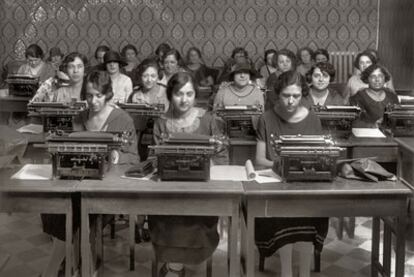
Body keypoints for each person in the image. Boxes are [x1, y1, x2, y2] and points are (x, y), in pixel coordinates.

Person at [41, 70, 138, 277]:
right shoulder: (79, 118)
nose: (93, 101)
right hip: (79, 181)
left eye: (99, 96)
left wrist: (116, 157)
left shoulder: (123, 119)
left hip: (107, 187)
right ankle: (82, 266)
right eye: (89, 95)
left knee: (78, 212)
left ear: (109, 95)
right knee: (65, 206)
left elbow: (135, 157)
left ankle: (66, 267)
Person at [149, 72, 227, 277]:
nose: (184, 99)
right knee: (169, 223)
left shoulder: (208, 120)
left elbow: (222, 157)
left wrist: (203, 164)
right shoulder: (160, 122)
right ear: (169, 95)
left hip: (201, 192)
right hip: (169, 192)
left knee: (196, 225)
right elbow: (154, 158)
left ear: (195, 95)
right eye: (178, 94)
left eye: (189, 94)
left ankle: (177, 269)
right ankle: (175, 268)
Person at [255, 70, 328, 277]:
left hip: (306, 184)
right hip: (276, 185)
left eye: (296, 96)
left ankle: (303, 273)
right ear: (277, 94)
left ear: (303, 94)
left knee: (309, 216)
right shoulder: (267, 118)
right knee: (281, 217)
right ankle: (286, 271)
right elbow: (260, 159)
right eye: (286, 96)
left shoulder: (313, 119)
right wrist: (283, 169)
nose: (290, 101)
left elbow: (320, 158)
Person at [128, 58, 169, 160]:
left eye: (153, 76)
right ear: (140, 76)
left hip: (163, 135)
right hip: (140, 136)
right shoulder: (135, 94)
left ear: (158, 76)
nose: (149, 80)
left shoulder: (166, 92)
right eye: (145, 76)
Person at [213, 62, 264, 129]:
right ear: (233, 76)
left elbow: (262, 118)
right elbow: (215, 117)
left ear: (250, 76)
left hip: (252, 133)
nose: (242, 75)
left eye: (246, 72)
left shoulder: (257, 93)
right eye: (238, 72)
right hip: (225, 131)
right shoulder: (222, 92)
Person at [349, 64, 399, 128]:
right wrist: (373, 125)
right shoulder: (358, 98)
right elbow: (355, 123)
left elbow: (398, 119)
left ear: (385, 78)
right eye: (373, 76)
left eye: (380, 76)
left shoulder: (392, 96)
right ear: (367, 79)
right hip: (367, 134)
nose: (377, 79)